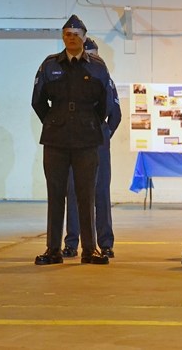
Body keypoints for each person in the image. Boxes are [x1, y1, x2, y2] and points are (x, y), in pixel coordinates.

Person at [31, 15, 112, 265]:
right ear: (62, 37)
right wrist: (56, 120)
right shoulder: (49, 65)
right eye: (67, 33)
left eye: (77, 33)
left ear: (84, 37)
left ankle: (89, 250)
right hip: (56, 140)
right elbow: (38, 101)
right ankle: (53, 249)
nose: (72, 37)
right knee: (55, 194)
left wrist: (87, 122)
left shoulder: (97, 66)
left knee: (86, 194)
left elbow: (106, 103)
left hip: (86, 140)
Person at [61, 38, 121, 259]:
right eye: (89, 55)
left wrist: (102, 135)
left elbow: (115, 114)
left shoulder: (106, 80)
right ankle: (71, 243)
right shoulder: (69, 80)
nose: (92, 59)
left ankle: (105, 243)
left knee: (101, 193)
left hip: (97, 144)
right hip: (73, 143)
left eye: (95, 55)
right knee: (73, 192)